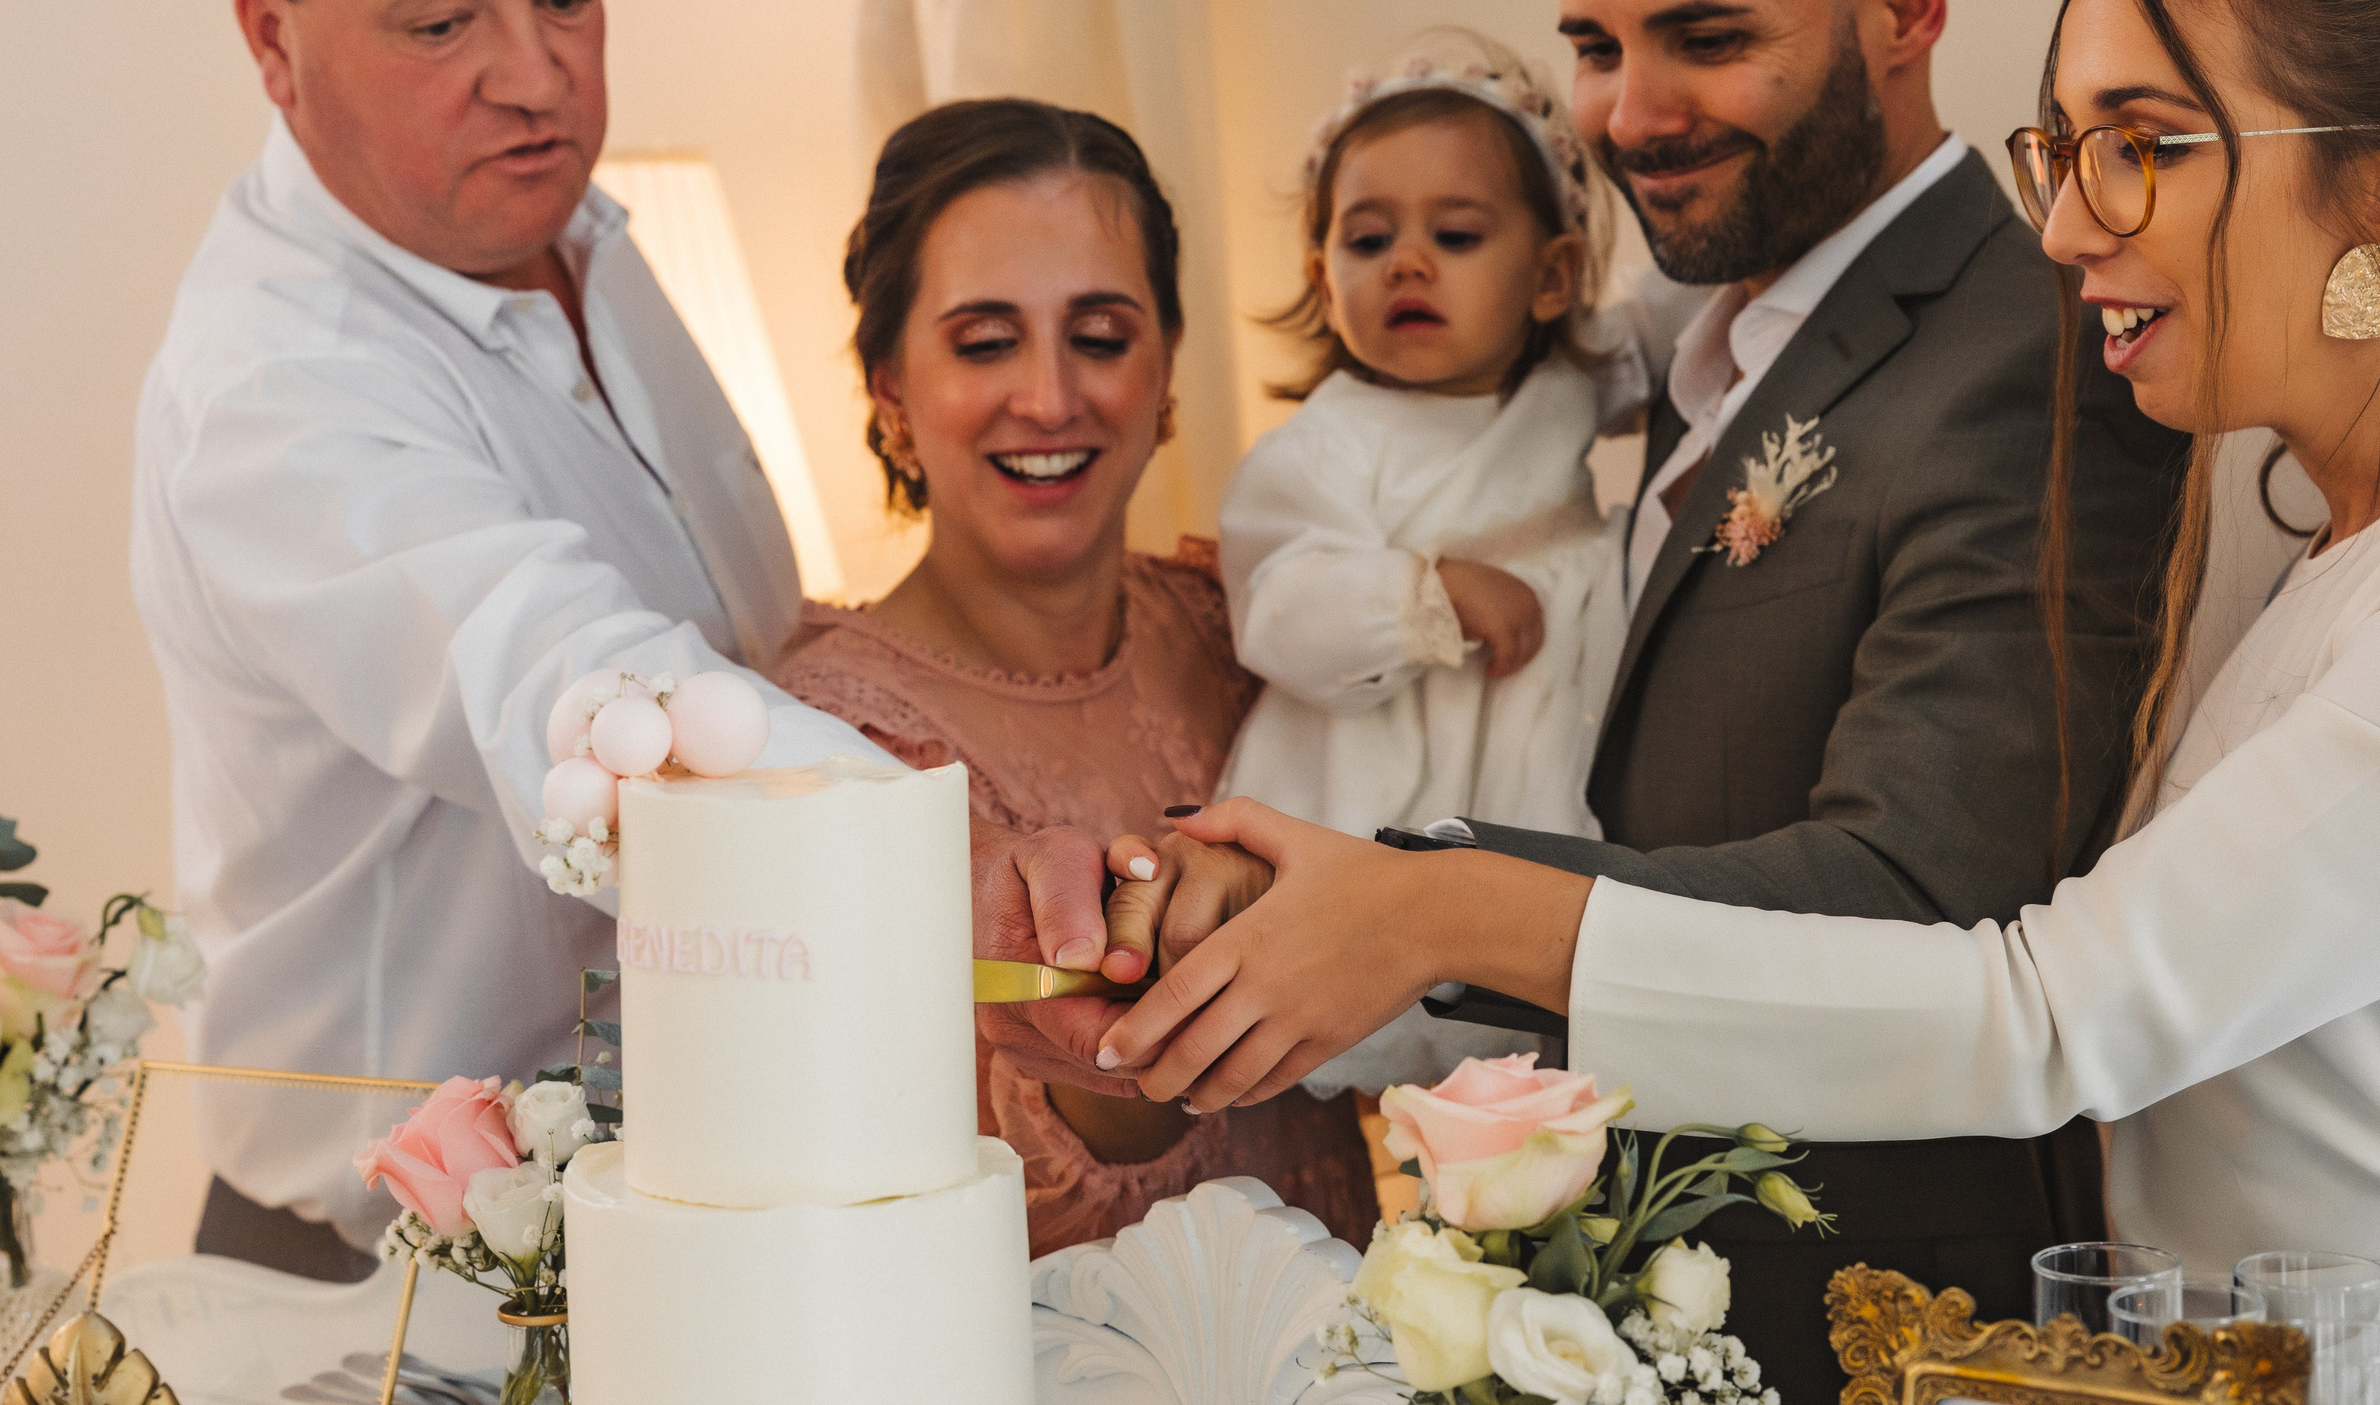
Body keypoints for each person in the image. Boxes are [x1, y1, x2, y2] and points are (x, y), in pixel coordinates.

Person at [1097, 0, 2380, 1369]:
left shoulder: (2032, 363)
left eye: (2144, 143)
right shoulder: (2310, 554)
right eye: (2064, 147)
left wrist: (1435, 907)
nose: (2066, 227)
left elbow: (2031, 997)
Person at [133, 0, 1120, 1278]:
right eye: (439, 23)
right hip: (389, 1286)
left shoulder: (575, 232)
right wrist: (947, 866)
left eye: (566, 4)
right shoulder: (279, 388)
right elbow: (578, 687)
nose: (537, 79)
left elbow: (728, 642)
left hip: (660, 1224)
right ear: (272, 39)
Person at [771, 99, 1379, 1257]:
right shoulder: (819, 740)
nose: (1049, 398)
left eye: (1099, 335)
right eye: (985, 340)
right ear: (889, 390)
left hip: (1350, 1378)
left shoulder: (1242, 629)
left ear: (1164, 375)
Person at [1215, 45, 1673, 1098]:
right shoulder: (1323, 446)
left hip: (1543, 728)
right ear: (1322, 270)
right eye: (1366, 238)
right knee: (1398, 970)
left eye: (1455, 235)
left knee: (1543, 973)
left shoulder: (1571, 379)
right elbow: (1280, 612)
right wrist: (1426, 596)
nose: (1406, 264)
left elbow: (1697, 326)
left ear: (1551, 274)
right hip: (1387, 752)